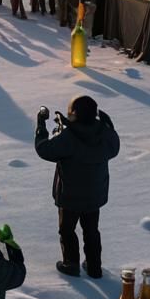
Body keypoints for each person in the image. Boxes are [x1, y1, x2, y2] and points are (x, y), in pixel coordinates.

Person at [34, 96, 120, 278]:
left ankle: (71, 263)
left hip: (69, 196)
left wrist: (41, 126)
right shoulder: (103, 133)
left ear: (74, 115)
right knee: (91, 231)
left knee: (67, 230)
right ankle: (94, 267)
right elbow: (114, 147)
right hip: (94, 195)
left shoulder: (69, 137)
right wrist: (108, 124)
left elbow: (44, 150)